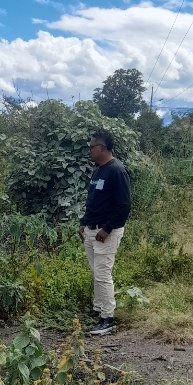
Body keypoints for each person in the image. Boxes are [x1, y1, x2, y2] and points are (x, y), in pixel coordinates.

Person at [78, 130, 131, 336]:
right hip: (91, 230)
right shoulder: (98, 170)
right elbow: (93, 200)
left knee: (102, 274)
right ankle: (99, 308)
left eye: (92, 147)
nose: (89, 151)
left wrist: (107, 229)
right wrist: (84, 223)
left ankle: (108, 318)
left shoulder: (117, 171)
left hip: (106, 232)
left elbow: (124, 205)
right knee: (96, 273)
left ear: (102, 148)